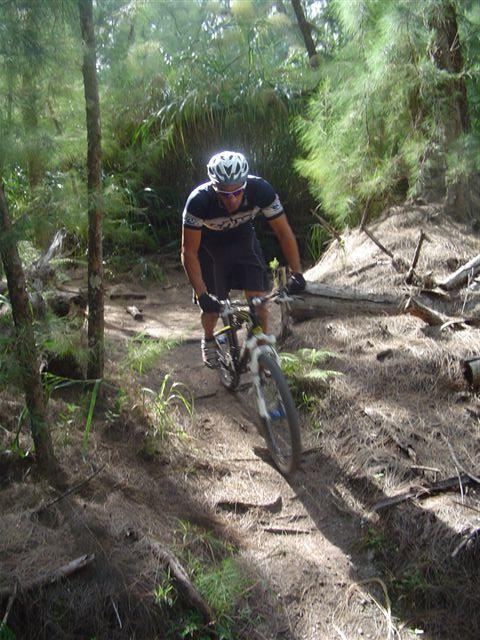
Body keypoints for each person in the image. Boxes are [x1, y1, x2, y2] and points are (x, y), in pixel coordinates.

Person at [181, 150, 306, 368]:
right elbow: (189, 251)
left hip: (242, 240)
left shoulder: (260, 190)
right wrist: (202, 295)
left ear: (245, 186)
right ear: (213, 187)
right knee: (211, 308)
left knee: (258, 302)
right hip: (209, 248)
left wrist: (297, 274)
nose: (232, 199)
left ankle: (263, 352)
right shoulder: (198, 201)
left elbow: (284, 232)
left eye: (237, 192)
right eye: (224, 194)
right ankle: (209, 338)